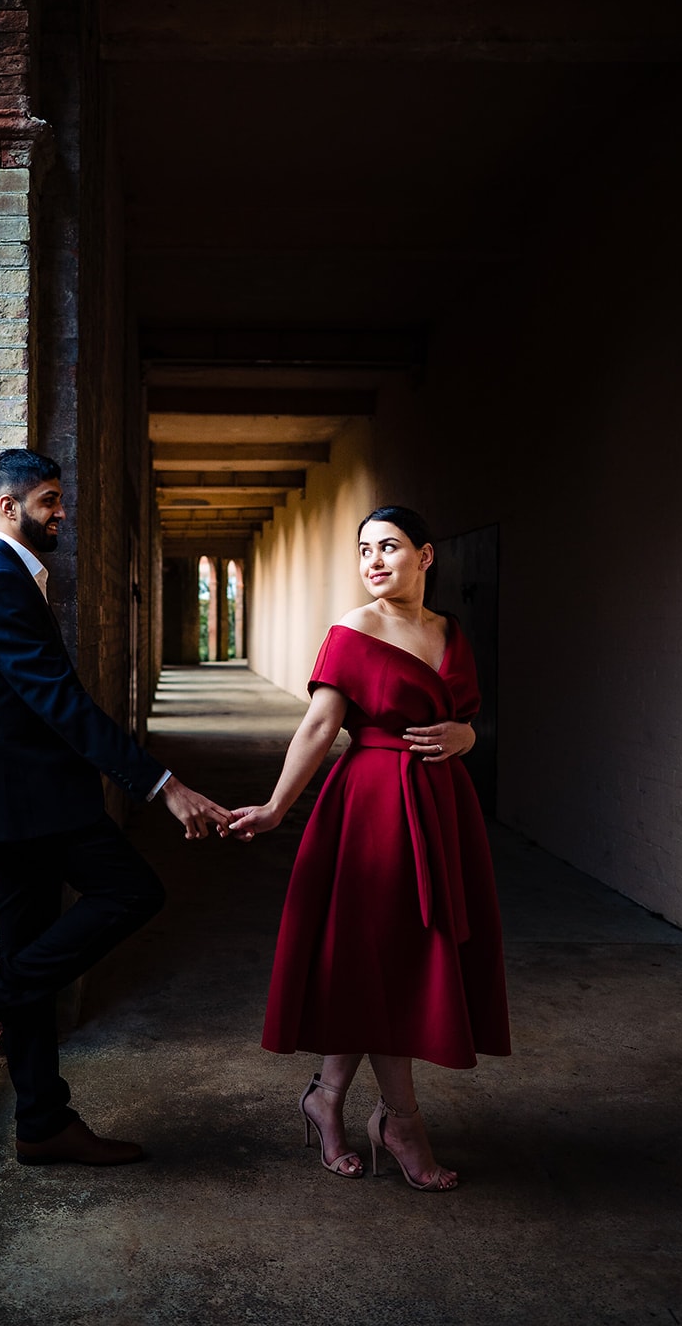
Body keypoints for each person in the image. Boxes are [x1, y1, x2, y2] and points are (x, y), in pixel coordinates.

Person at [0, 448, 242, 1166]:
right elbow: (59, 704)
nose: (61, 513)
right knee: (133, 890)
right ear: (9, 507)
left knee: (34, 955)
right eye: (48, 501)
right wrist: (161, 784)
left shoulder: (7, 578)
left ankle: (42, 1121)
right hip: (33, 799)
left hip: (24, 799)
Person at [229, 505, 510, 1190]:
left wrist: (465, 739)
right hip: (372, 809)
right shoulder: (351, 633)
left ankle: (327, 1098)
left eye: (388, 547)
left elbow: (467, 719)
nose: (374, 560)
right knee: (386, 957)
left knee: (381, 960)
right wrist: (273, 808)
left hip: (442, 807)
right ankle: (400, 1120)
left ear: (426, 555)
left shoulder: (449, 632)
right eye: (363, 550)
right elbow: (319, 727)